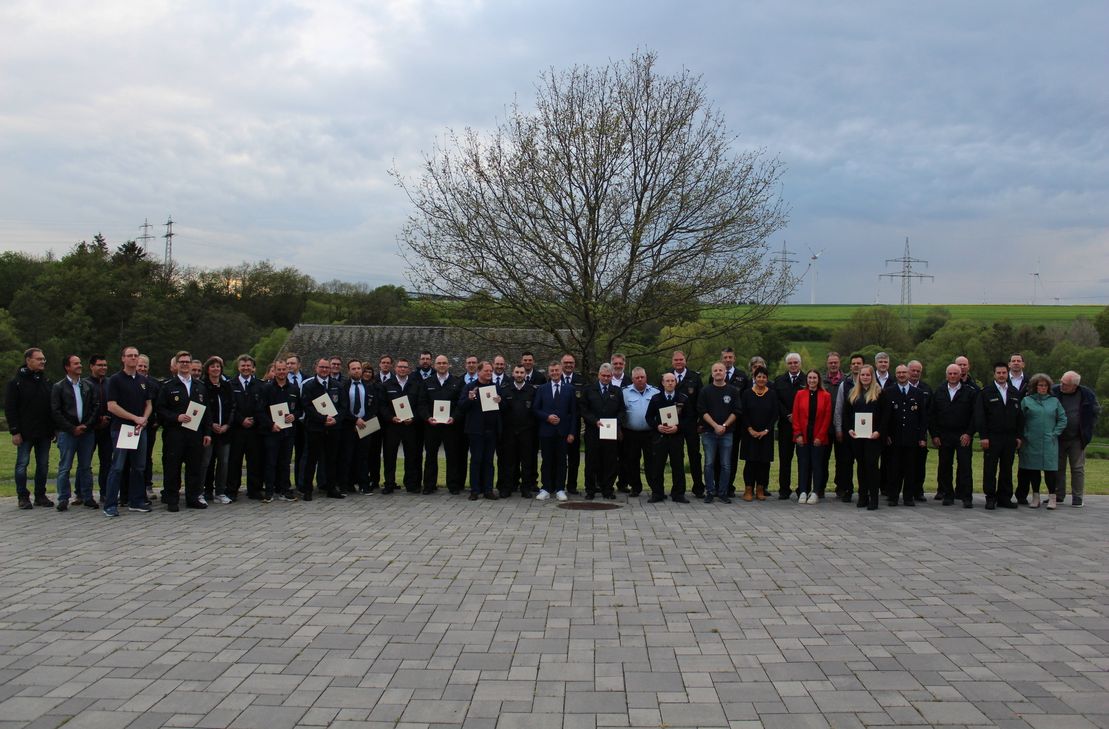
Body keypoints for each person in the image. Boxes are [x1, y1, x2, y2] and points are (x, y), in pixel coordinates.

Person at [157, 350, 212, 511]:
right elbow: (160, 410)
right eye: (182, 362)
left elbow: (207, 411)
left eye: (187, 362)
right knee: (172, 467)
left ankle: (192, 498)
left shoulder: (199, 386)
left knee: (194, 467)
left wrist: (208, 432)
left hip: (195, 434)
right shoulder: (168, 386)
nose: (185, 364)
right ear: (176, 365)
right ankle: (172, 499)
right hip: (175, 433)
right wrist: (176, 417)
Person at [102, 346, 153, 517]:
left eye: (136, 356)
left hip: (140, 429)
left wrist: (143, 419)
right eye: (129, 356)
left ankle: (136, 500)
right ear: (123, 359)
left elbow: (149, 404)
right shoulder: (115, 380)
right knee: (117, 467)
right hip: (122, 429)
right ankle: (110, 504)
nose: (133, 358)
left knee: (139, 466)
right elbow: (112, 406)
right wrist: (134, 418)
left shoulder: (142, 380)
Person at [6, 348, 54, 510]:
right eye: (39, 359)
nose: (42, 362)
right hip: (25, 433)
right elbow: (10, 408)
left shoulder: (46, 382)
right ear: (28, 360)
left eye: (43, 359)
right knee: (22, 464)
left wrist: (54, 428)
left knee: (43, 465)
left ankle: (40, 495)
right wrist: (15, 431)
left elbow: (52, 407)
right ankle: (22, 496)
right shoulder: (16, 383)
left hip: (44, 432)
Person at [50, 354, 99, 511]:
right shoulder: (59, 387)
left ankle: (87, 496)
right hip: (68, 433)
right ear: (67, 367)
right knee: (65, 466)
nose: (80, 365)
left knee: (86, 466)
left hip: (86, 432)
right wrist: (71, 428)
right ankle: (63, 498)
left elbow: (94, 407)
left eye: (80, 363)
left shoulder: (86, 386)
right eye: (76, 363)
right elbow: (56, 411)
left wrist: (87, 425)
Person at [975, 362, 1023, 510]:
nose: (1001, 375)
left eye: (1003, 373)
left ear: (1007, 373)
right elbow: (980, 416)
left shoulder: (1014, 392)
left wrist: (1019, 436)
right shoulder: (986, 392)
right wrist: (984, 436)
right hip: (992, 437)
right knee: (990, 468)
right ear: (994, 374)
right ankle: (990, 497)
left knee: (1007, 469)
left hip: (1009, 437)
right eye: (998, 373)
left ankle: (1005, 497)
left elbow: (1019, 416)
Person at [930, 364, 977, 507]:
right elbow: (933, 415)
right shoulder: (939, 391)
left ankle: (966, 497)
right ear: (946, 375)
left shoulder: (970, 392)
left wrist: (969, 433)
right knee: (945, 466)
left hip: (963, 435)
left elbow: (975, 415)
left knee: (965, 467)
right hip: (944, 435)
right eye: (950, 373)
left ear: (960, 374)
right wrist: (935, 435)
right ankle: (948, 495)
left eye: (955, 373)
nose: (952, 376)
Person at [300, 357, 348, 500]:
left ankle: (331, 488)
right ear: (316, 368)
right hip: (315, 428)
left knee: (331, 459)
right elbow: (307, 406)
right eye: (322, 367)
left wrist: (335, 419)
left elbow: (343, 407)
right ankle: (307, 490)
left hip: (333, 428)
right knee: (311, 460)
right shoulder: (309, 386)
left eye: (327, 367)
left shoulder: (337, 386)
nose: (325, 370)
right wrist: (322, 419)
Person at [1052, 371, 1101, 507]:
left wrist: (1087, 428)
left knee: (1077, 468)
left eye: (1065, 384)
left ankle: (1077, 497)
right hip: (1058, 437)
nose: (1061, 385)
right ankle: (1058, 495)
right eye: (1061, 381)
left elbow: (1096, 411)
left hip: (1077, 438)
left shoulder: (1086, 394)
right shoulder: (1055, 391)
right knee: (1058, 467)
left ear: (1074, 386)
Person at [1018, 373, 1067, 509]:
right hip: (1031, 441)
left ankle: (1052, 497)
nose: (1043, 388)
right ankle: (1035, 496)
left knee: (1050, 471)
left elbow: (1063, 419)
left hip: (1049, 441)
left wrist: (1055, 433)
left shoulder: (1054, 401)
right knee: (1033, 470)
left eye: (1045, 385)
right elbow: (1019, 420)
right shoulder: (1027, 401)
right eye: (1040, 385)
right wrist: (1024, 434)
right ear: (1035, 386)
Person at [843, 365, 888, 510]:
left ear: (872, 376)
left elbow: (885, 416)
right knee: (861, 466)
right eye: (862, 375)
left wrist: (879, 432)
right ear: (859, 376)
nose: (865, 377)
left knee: (872, 467)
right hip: (857, 437)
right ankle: (863, 496)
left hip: (873, 438)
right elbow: (846, 415)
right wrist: (849, 429)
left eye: (868, 375)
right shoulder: (853, 394)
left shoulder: (880, 393)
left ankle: (874, 498)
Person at [645, 371, 693, 504]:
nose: (670, 383)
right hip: (660, 437)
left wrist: (678, 428)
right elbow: (648, 417)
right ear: (663, 383)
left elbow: (689, 418)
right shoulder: (655, 399)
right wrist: (657, 426)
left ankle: (678, 494)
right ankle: (657, 493)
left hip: (676, 437)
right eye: (667, 381)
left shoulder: (683, 398)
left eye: (672, 380)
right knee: (658, 466)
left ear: (676, 383)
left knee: (677, 466)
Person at [421, 354, 465, 494]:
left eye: (444, 363)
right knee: (430, 456)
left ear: (449, 365)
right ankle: (429, 485)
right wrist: (427, 417)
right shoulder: (427, 382)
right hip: (432, 426)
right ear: (435, 365)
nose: (441, 365)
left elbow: (460, 404)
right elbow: (422, 403)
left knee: (452, 456)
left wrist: (454, 417)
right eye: (439, 363)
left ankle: (453, 485)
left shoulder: (457, 382)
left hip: (450, 426)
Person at [697, 361, 741, 504]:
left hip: (727, 433)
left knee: (726, 464)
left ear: (725, 373)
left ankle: (723, 492)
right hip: (709, 433)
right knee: (709, 463)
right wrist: (715, 425)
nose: (718, 372)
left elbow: (736, 411)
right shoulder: (705, 391)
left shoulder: (733, 391)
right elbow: (702, 411)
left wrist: (724, 426)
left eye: (720, 370)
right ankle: (710, 491)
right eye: (715, 370)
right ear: (712, 373)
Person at [379, 358, 425, 494]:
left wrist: (414, 418)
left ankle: (410, 484)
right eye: (400, 367)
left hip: (410, 426)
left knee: (411, 456)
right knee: (389, 456)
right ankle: (389, 483)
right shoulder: (387, 385)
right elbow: (382, 406)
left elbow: (420, 405)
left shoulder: (416, 385)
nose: (402, 369)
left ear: (409, 369)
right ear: (395, 368)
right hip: (392, 426)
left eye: (405, 367)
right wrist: (391, 418)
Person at [533, 360, 577, 501]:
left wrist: (571, 432)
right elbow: (535, 409)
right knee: (546, 461)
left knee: (561, 461)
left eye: (557, 370)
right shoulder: (542, 389)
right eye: (552, 371)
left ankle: (560, 489)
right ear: (549, 372)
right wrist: (547, 417)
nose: (554, 373)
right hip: (546, 432)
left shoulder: (569, 389)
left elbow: (574, 413)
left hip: (563, 433)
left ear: (561, 371)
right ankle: (546, 488)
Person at [258, 359, 301, 502]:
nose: (282, 372)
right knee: (271, 462)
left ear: (287, 371)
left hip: (288, 433)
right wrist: (271, 425)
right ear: (274, 371)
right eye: (279, 369)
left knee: (285, 462)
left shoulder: (294, 389)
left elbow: (300, 409)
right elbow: (260, 411)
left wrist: (294, 416)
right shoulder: (267, 389)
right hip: (272, 432)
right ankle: (269, 492)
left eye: (284, 369)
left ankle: (285, 490)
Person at [884, 364, 927, 507]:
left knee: (910, 469)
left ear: (908, 374)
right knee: (894, 468)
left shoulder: (918, 393)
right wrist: (887, 434)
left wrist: (922, 437)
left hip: (912, 438)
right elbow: (885, 417)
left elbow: (922, 418)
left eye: (904, 372)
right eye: (899, 373)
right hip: (894, 438)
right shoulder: (889, 392)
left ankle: (908, 497)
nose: (901, 375)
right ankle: (893, 496)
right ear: (895, 375)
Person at [581, 363, 625, 500]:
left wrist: (616, 421)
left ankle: (608, 490)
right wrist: (594, 421)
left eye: (608, 376)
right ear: (599, 375)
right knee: (591, 462)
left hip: (610, 432)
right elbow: (584, 409)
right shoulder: (589, 390)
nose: (606, 378)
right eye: (603, 375)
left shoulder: (617, 391)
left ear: (612, 376)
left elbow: (622, 410)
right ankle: (590, 490)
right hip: (593, 431)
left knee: (610, 462)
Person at [459, 361, 502, 500]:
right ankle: (475, 490)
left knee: (489, 461)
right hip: (476, 430)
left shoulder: (496, 387)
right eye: (486, 371)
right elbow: (461, 406)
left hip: (491, 430)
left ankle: (488, 490)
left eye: (491, 371)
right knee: (476, 460)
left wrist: (500, 401)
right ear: (479, 372)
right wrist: (470, 399)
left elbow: (505, 406)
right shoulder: (470, 387)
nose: (489, 373)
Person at [666, 351, 704, 498]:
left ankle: (698, 488)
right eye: (676, 360)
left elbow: (701, 402)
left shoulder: (695, 377)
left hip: (691, 423)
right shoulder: (667, 376)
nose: (678, 362)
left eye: (681, 359)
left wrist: (701, 422)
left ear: (685, 361)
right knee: (676, 456)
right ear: (672, 362)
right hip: (673, 423)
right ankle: (678, 489)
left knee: (694, 456)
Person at [497, 365, 539, 497]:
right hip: (509, 432)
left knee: (526, 462)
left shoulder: (532, 390)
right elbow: (501, 410)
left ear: (525, 374)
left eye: (521, 372)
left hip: (527, 432)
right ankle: (507, 488)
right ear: (513, 374)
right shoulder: (505, 390)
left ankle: (525, 488)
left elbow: (535, 411)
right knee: (508, 462)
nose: (519, 374)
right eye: (517, 372)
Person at [792, 369, 832, 505]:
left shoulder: (826, 396)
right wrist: (797, 434)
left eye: (815, 378)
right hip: (802, 436)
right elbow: (795, 415)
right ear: (806, 380)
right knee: (803, 464)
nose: (812, 380)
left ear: (818, 379)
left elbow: (827, 418)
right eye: (810, 378)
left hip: (818, 438)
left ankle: (815, 492)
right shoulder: (800, 394)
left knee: (817, 465)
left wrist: (820, 436)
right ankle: (803, 491)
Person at [228, 354, 264, 501]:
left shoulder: (260, 385)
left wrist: (254, 419)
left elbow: (262, 405)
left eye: (248, 365)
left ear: (253, 368)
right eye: (243, 365)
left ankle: (254, 490)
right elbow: (230, 406)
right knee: (235, 461)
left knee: (255, 461)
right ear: (238, 367)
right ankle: (232, 490)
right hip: (237, 429)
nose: (246, 368)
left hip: (254, 430)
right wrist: (241, 420)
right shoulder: (231, 384)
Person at [739, 366, 777, 502]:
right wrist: (750, 429)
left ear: (767, 379)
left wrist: (766, 430)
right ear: (754, 378)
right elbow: (743, 413)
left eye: (764, 377)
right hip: (750, 434)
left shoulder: (772, 394)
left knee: (764, 463)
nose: (761, 379)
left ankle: (760, 489)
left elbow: (774, 415)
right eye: (758, 376)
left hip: (766, 435)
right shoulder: (747, 393)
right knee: (751, 463)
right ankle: (748, 489)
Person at [338, 359, 376, 495]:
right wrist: (355, 420)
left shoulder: (369, 386)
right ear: (349, 371)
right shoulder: (343, 386)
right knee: (346, 456)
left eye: (358, 368)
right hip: (348, 426)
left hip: (366, 425)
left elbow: (373, 407)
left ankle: (364, 485)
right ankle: (345, 486)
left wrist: (363, 421)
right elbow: (342, 408)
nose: (356, 371)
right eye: (353, 369)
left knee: (363, 457)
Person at [620, 367, 659, 497]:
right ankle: (635, 487)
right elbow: (621, 411)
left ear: (646, 377)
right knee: (632, 461)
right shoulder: (624, 393)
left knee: (651, 461)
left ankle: (655, 487)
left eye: (642, 377)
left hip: (650, 433)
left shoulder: (655, 392)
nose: (640, 379)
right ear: (632, 379)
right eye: (637, 377)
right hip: (631, 433)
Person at [201, 357, 235, 504]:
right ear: (208, 369)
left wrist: (228, 424)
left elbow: (233, 406)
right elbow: (203, 409)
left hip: (225, 431)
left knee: (224, 462)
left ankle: (220, 491)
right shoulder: (202, 386)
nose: (216, 369)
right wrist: (211, 424)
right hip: (209, 431)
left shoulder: (226, 386)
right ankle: (201, 491)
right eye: (213, 367)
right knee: (205, 462)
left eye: (218, 366)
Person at [832, 353, 864, 501]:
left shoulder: (871, 385)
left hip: (865, 432)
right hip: (847, 431)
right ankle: (847, 490)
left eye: (859, 363)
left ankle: (865, 491)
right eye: (853, 363)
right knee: (846, 463)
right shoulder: (844, 384)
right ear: (850, 366)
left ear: (864, 365)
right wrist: (838, 428)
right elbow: (838, 408)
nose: (856, 365)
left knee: (864, 463)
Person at [773, 353, 804, 500]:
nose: (793, 365)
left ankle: (802, 488)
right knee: (785, 459)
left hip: (802, 427)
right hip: (785, 426)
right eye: (790, 363)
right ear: (787, 365)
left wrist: (797, 416)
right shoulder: (779, 380)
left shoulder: (807, 379)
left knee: (803, 459)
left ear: (800, 364)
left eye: (795, 362)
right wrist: (787, 415)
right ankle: (784, 489)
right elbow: (776, 401)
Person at [85, 354, 113, 503]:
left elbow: (115, 402)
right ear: (91, 366)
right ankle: (83, 493)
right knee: (85, 462)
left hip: (108, 429)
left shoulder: (110, 383)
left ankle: (105, 492)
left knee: (107, 461)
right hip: (90, 429)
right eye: (99, 365)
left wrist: (107, 417)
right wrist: (95, 421)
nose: (103, 368)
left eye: (105, 365)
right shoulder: (85, 384)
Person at [906, 360, 932, 503]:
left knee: (919, 464)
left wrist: (925, 434)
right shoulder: (898, 388)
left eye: (918, 371)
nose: (915, 373)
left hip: (920, 434)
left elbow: (929, 414)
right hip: (903, 433)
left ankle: (918, 491)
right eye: (913, 371)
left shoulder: (926, 389)